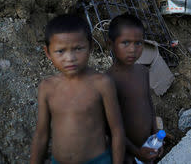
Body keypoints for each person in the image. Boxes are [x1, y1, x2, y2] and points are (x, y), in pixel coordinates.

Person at [30, 14, 125, 164]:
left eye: (78, 48)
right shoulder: (47, 88)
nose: (70, 58)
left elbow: (117, 131)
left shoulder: (102, 83)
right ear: (48, 52)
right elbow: (41, 135)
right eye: (60, 51)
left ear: (91, 46)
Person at [107, 14, 163, 164]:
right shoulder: (108, 81)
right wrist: (136, 152)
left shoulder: (143, 72)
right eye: (125, 43)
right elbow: (111, 128)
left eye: (138, 43)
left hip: (147, 145)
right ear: (111, 44)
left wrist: (156, 134)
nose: (133, 49)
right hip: (126, 152)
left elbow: (149, 103)